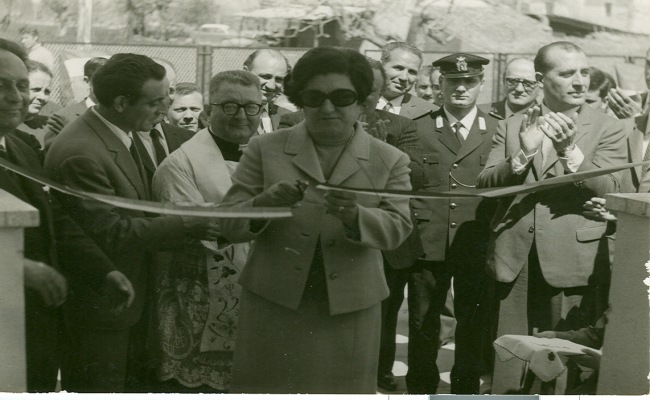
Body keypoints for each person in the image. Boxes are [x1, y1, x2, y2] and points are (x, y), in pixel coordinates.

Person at [220, 46, 413, 394]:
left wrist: (355, 216)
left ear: (362, 101)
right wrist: (263, 203)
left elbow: (398, 229)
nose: (327, 108)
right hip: (273, 303)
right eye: (314, 97)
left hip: (350, 309)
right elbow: (228, 226)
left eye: (342, 97)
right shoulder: (265, 148)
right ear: (300, 100)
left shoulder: (389, 159)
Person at [44, 53, 220, 392]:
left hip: (127, 301)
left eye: (167, 98)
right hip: (103, 309)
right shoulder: (82, 151)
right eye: (155, 102)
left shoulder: (118, 133)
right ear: (121, 103)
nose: (165, 109)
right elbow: (111, 232)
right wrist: (187, 224)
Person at [476, 41, 628, 394]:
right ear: (540, 79)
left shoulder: (608, 127)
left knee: (560, 364)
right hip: (514, 259)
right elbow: (485, 184)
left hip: (572, 260)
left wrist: (569, 152)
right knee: (510, 358)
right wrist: (522, 156)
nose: (580, 81)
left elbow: (613, 188)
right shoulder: (513, 125)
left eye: (584, 72)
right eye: (568, 73)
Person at [274, 56, 426, 392]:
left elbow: (418, 176)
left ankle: (376, 374)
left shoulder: (400, 126)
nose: (365, 96)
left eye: (372, 90)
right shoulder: (296, 120)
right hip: (312, 245)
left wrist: (377, 151)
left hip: (382, 242)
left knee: (378, 323)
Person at [0, 38, 134, 393]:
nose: (15, 96)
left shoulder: (20, 147)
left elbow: (54, 218)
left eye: (22, 85)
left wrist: (104, 269)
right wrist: (14, 269)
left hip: (33, 330)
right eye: (1, 85)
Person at [150, 70, 259, 392]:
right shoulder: (180, 165)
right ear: (208, 112)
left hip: (258, 299)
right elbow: (201, 229)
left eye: (251, 107)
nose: (242, 115)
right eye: (230, 106)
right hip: (199, 306)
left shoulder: (267, 155)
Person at [406, 53, 499, 394]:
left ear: (481, 84)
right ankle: (421, 387)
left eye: (469, 81)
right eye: (453, 81)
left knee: (473, 318)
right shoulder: (417, 128)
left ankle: (465, 388)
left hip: (476, 240)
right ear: (440, 84)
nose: (461, 88)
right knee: (423, 320)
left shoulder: (497, 129)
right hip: (428, 241)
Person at [43, 57, 107, 151]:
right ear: (87, 81)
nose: (109, 86)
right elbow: (54, 154)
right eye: (102, 81)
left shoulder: (118, 116)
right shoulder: (63, 117)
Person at [377, 42, 437, 119]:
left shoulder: (430, 113)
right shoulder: (361, 102)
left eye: (412, 72)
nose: (404, 78)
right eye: (398, 68)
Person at [242, 49, 292, 133]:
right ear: (245, 73)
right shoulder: (227, 113)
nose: (271, 86)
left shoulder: (288, 117)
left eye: (279, 79)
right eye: (265, 77)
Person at [17, 60, 54, 147]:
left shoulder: (52, 126)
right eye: (36, 89)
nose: (42, 97)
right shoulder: (5, 128)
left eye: (47, 92)